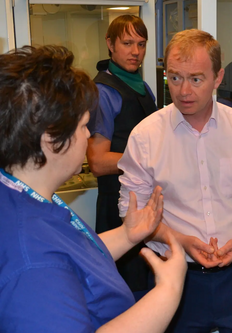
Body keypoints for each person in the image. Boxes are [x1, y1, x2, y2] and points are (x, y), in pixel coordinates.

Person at [0, 45, 186, 332]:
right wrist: (168, 290)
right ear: (51, 138)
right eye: (84, 126)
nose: (88, 135)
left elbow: (73, 260)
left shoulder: (23, 196)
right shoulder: (32, 262)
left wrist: (127, 234)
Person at [117, 29, 232, 332]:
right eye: (174, 78)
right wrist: (182, 241)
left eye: (196, 79)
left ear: (218, 78)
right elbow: (130, 212)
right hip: (174, 277)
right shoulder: (146, 136)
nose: (184, 90)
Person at [86, 14, 157, 298]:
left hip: (144, 207)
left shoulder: (143, 86)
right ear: (110, 45)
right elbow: (98, 162)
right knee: (128, 296)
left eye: (141, 44)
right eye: (127, 43)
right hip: (118, 210)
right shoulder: (104, 91)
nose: (136, 52)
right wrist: (149, 162)